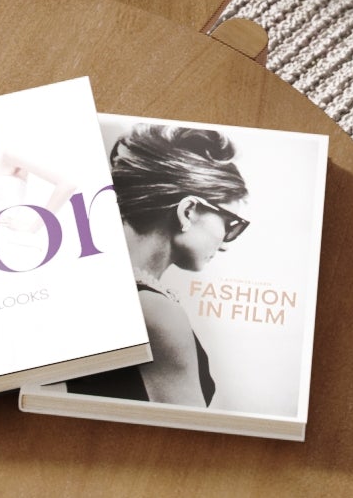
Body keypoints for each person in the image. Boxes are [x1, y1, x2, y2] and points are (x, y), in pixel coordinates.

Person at [72, 123, 250, 407]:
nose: (226, 244)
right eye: (230, 225)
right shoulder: (157, 313)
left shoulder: (86, 288)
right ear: (188, 210)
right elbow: (188, 437)